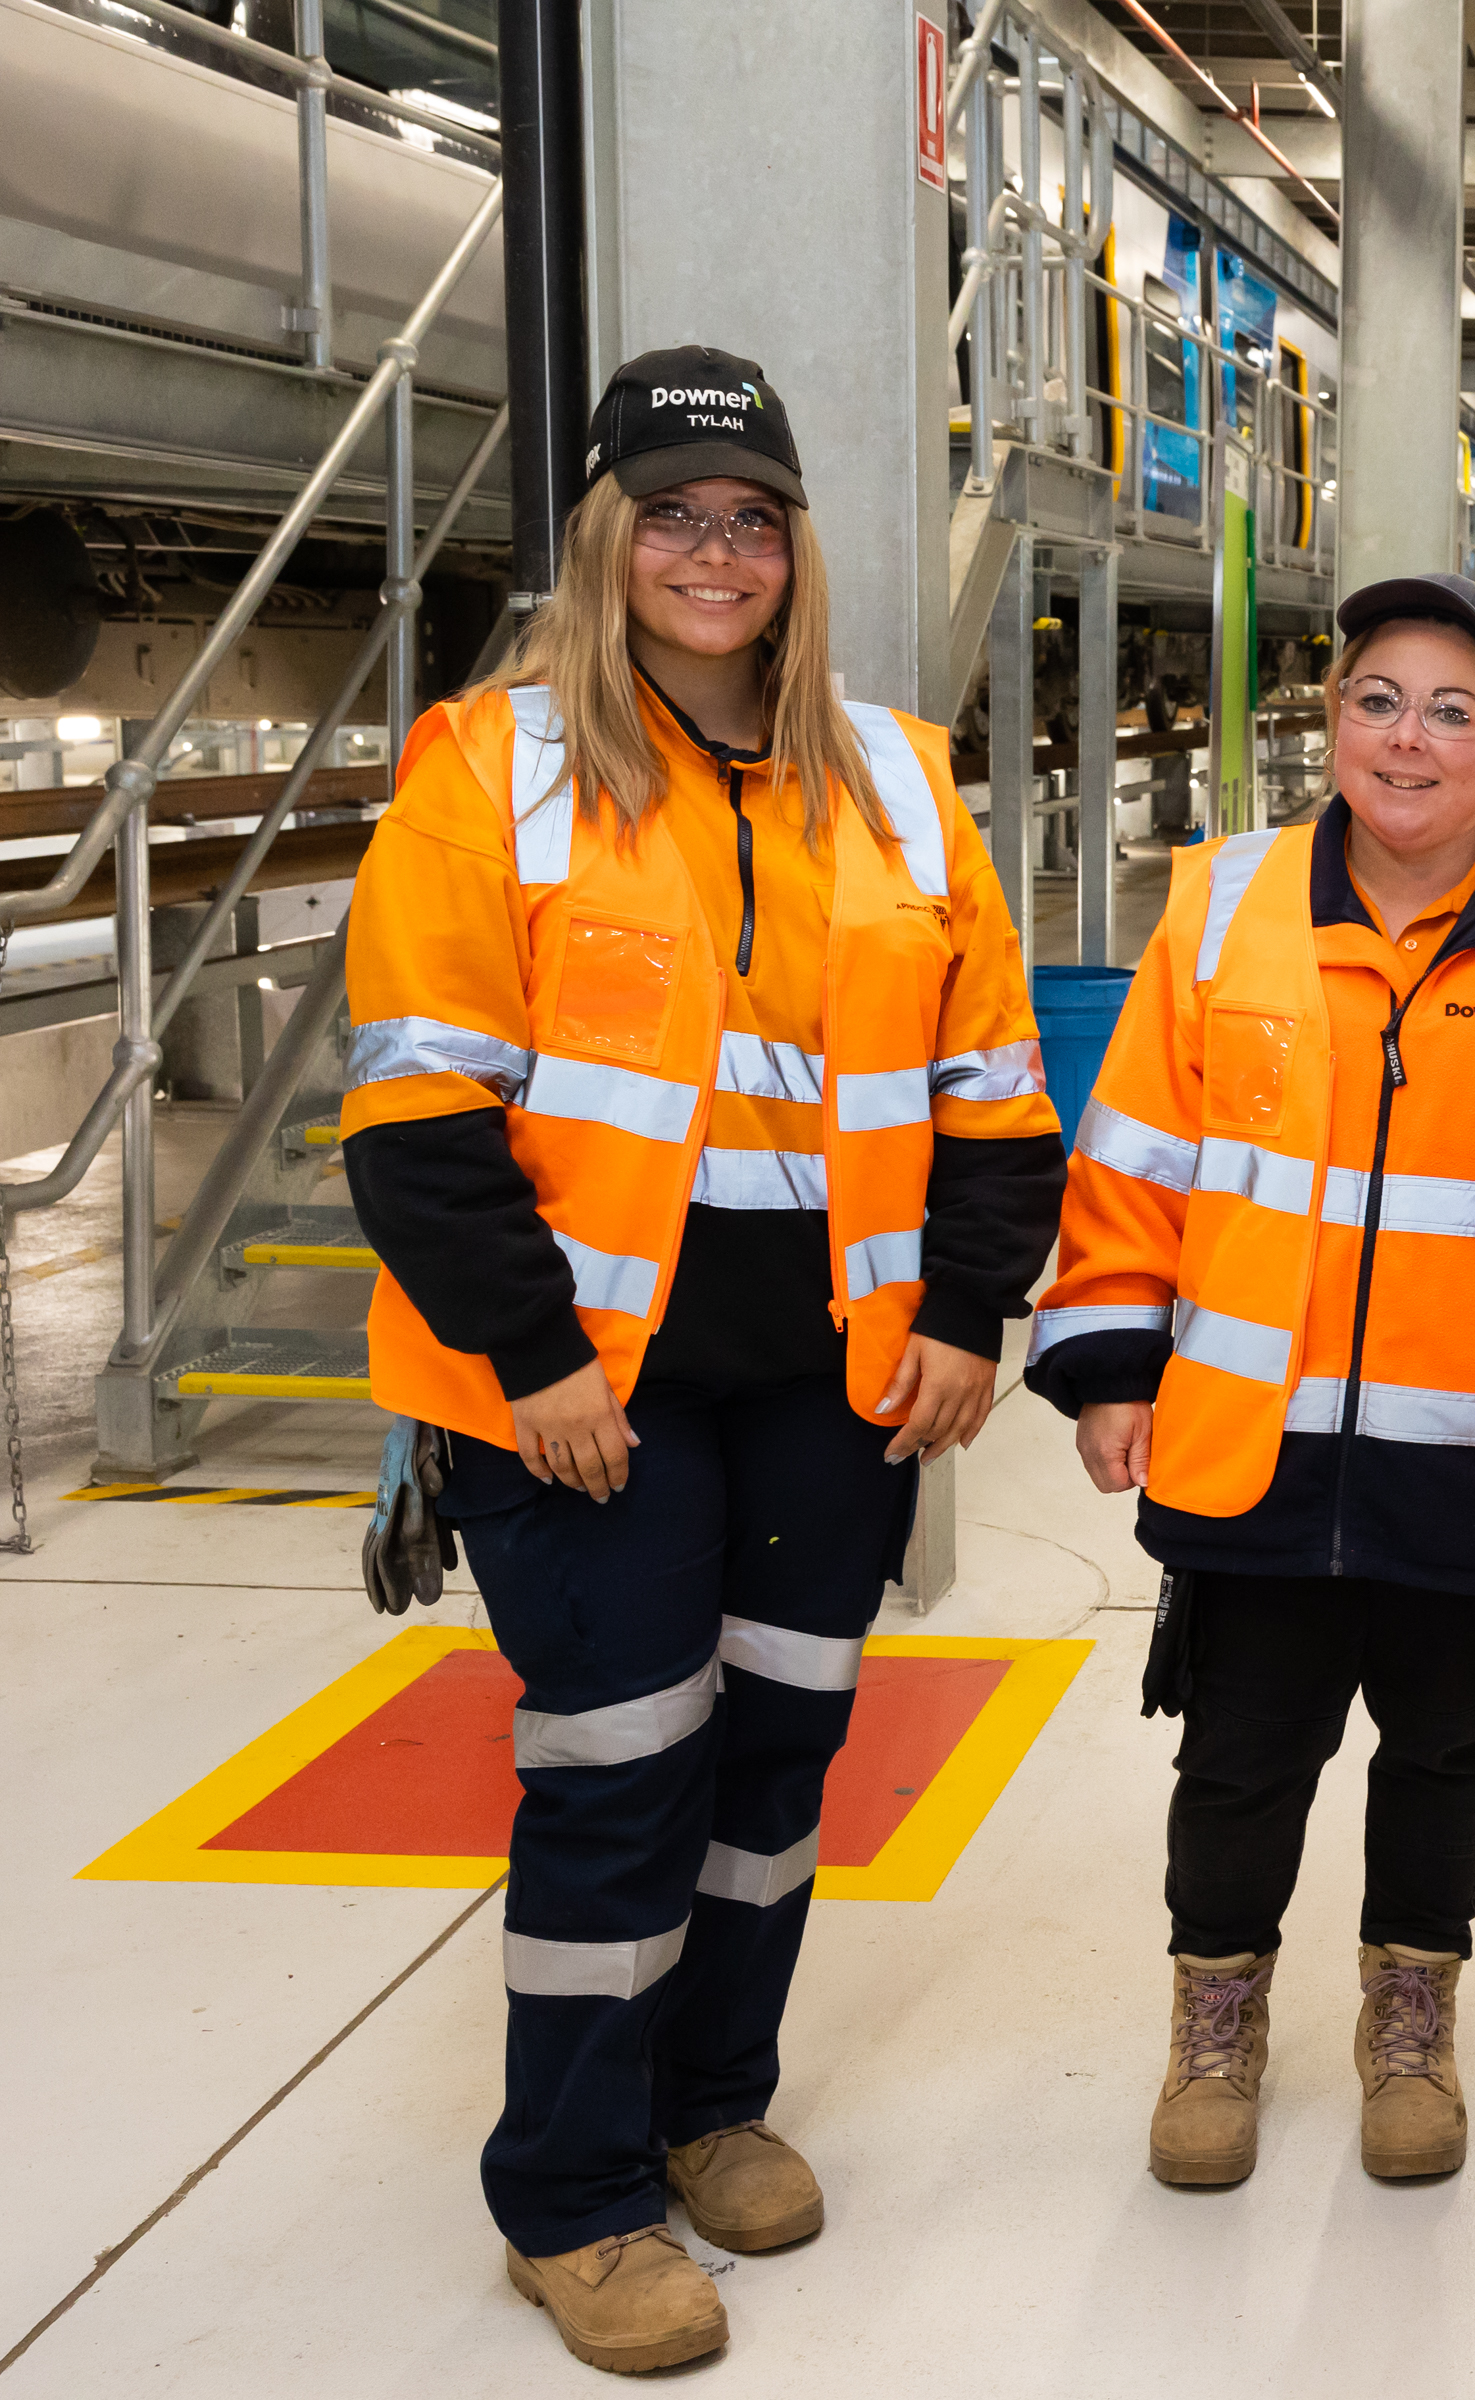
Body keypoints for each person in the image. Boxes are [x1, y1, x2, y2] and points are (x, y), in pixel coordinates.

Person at [340, 347, 1065, 2374]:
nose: (715, 551)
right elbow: (414, 1103)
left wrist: (959, 1317)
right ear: (604, 537)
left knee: (777, 1757)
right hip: (589, 1387)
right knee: (616, 1761)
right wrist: (532, 1357)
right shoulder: (493, 770)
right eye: (673, 514)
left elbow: (996, 1093)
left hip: (834, 1382)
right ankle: (570, 2195)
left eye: (751, 515)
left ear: (797, 546)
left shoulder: (905, 784)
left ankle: (710, 2098)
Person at [1027, 571, 1475, 2193]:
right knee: (1242, 1752)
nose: (1411, 738)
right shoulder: (1226, 904)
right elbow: (1138, 1160)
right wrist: (1112, 1354)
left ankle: (1411, 2019)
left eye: (1452, 709)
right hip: (1257, 1442)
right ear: (1331, 724)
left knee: (1448, 1746)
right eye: (1379, 700)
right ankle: (1217, 2026)